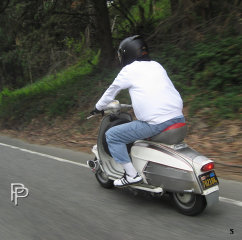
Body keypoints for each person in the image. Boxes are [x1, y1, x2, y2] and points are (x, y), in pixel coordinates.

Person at [90, 35, 185, 187]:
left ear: (127, 54)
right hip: (179, 119)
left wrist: (97, 108)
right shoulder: (157, 65)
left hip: (156, 124)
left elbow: (111, 92)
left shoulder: (129, 70)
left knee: (112, 135)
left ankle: (131, 175)